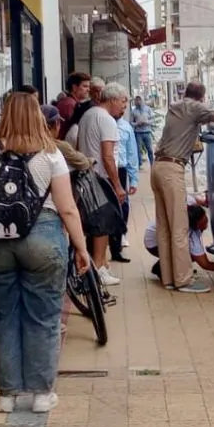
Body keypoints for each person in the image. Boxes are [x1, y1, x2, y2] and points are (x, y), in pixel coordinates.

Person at [0, 91, 91, 414]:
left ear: (4, 116)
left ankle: (7, 394)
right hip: (44, 239)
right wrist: (81, 247)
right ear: (36, 116)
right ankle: (41, 394)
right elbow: (68, 209)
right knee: (44, 318)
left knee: (3, 319)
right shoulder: (51, 154)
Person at [151, 82, 214, 293]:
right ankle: (183, 280)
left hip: (157, 167)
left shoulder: (175, 107)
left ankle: (168, 278)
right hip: (172, 169)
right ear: (202, 97)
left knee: (164, 226)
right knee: (180, 227)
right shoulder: (194, 107)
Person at [76, 83, 131, 285]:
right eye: (123, 101)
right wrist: (117, 185)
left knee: (94, 225)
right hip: (100, 177)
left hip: (87, 176)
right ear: (113, 99)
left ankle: (99, 265)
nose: (124, 107)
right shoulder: (107, 120)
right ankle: (99, 267)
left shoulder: (89, 115)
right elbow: (108, 156)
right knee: (103, 225)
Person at [144, 204, 214, 284]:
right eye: (203, 223)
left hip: (154, 235)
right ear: (195, 226)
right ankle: (162, 270)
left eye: (206, 220)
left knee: (190, 252)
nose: (206, 225)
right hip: (154, 245)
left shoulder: (187, 212)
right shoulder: (190, 235)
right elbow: (205, 264)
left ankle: (164, 265)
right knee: (191, 256)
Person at [111, 108, 139, 259]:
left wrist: (134, 179)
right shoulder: (102, 122)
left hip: (121, 170)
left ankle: (121, 233)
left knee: (123, 205)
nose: (122, 109)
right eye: (120, 104)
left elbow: (132, 153)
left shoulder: (126, 127)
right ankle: (112, 240)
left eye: (124, 106)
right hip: (105, 169)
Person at [41, 105, 92, 172]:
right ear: (56, 124)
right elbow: (84, 164)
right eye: (60, 123)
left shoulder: (30, 144)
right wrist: (91, 160)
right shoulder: (59, 146)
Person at [64, 78, 106, 149]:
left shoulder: (106, 107)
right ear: (90, 92)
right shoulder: (81, 107)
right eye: (96, 91)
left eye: (101, 91)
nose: (99, 94)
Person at [57, 72, 91, 138]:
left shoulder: (70, 102)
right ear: (74, 87)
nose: (88, 89)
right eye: (85, 86)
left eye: (88, 86)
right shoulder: (70, 104)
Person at [130, 95, 155, 168]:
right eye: (136, 100)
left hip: (147, 132)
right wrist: (137, 123)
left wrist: (147, 122)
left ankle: (152, 163)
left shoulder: (148, 109)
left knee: (150, 149)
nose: (138, 102)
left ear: (142, 100)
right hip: (138, 132)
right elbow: (131, 122)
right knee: (138, 149)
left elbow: (152, 120)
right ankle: (139, 164)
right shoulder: (134, 111)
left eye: (139, 100)